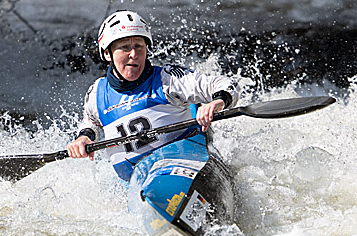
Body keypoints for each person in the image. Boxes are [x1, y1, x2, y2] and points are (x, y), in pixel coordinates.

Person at [66, 10, 240, 181]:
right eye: (125, 47)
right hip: (132, 184)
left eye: (139, 47)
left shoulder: (168, 79)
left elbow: (227, 84)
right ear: (107, 53)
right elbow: (92, 122)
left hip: (184, 169)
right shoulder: (96, 93)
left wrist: (217, 102)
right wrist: (84, 138)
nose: (133, 54)